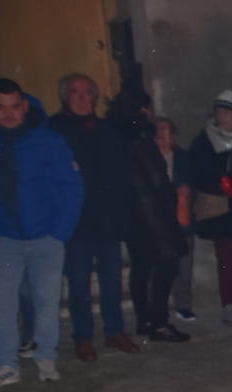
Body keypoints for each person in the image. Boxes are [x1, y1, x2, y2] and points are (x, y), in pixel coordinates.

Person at [0, 77, 82, 389]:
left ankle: (46, 357)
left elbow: (70, 188)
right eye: (1, 108)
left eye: (15, 107)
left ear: (25, 105)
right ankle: (6, 365)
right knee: (3, 305)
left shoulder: (48, 141)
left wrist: (59, 232)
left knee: (46, 301)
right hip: (2, 238)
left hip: (45, 237)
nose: (9, 114)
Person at [48, 73, 136, 360]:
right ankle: (83, 337)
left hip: (106, 221)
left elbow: (121, 175)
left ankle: (114, 332)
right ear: (65, 96)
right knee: (78, 284)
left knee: (112, 281)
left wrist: (121, 215)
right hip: (75, 223)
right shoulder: (53, 129)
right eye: (76, 93)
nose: (83, 98)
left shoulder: (106, 129)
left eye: (88, 93)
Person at [108, 85, 190, 344]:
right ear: (143, 108)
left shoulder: (115, 132)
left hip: (133, 212)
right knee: (168, 261)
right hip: (151, 211)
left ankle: (145, 320)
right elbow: (155, 177)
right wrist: (170, 195)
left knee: (141, 267)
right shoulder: (141, 135)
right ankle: (158, 322)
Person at [189, 84, 232, 325]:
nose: (221, 116)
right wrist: (219, 182)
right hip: (220, 207)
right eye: (218, 111)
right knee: (226, 260)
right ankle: (228, 304)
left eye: (226, 112)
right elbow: (197, 170)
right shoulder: (204, 139)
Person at [154, 117, 195, 322]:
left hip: (181, 215)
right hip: (157, 219)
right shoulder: (148, 158)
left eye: (166, 129)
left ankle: (183, 305)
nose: (161, 133)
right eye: (157, 129)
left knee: (184, 264)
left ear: (174, 135)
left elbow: (194, 185)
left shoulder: (183, 157)